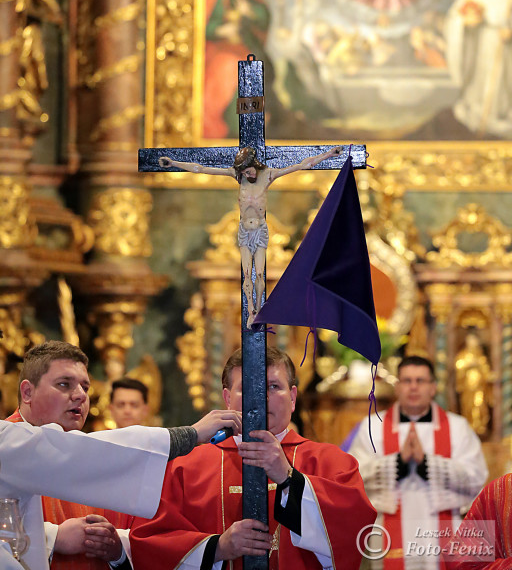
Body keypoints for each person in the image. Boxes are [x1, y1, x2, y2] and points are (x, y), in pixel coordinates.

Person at [129, 346, 376, 570]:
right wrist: (218, 547)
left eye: (273, 386)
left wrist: (288, 478)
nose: (261, 397)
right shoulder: (184, 467)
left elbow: (355, 532)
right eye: (247, 387)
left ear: (292, 398)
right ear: (227, 399)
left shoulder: (331, 463)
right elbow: (149, 543)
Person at [3, 340, 241, 570]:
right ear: (27, 392)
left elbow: (144, 538)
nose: (80, 396)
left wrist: (116, 549)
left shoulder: (102, 456)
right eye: (64, 384)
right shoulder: (8, 444)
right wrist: (53, 537)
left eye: (85, 387)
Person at [158, 145, 341, 324]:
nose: (248, 175)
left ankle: (260, 311)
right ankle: (251, 311)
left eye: (249, 171)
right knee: (247, 275)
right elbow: (202, 169)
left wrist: (329, 154)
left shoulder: (268, 175)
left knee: (259, 274)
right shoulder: (237, 176)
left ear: (255, 164)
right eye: (244, 173)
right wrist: (173, 163)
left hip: (260, 230)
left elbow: (302, 165)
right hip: (245, 230)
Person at [349, 355, 488, 569]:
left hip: (444, 533)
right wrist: (398, 463)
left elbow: (476, 477)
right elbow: (354, 477)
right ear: (397, 386)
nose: (413, 387)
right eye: (407, 381)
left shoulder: (458, 427)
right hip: (387, 532)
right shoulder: (372, 426)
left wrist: (426, 464)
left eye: (420, 381)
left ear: (433, 387)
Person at [203, 0, 270, 138]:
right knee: (233, 65)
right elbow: (198, 26)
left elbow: (263, 15)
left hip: (241, 48)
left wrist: (248, 11)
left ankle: (248, 126)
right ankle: (225, 125)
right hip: (214, 50)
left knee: (252, 64)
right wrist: (221, 30)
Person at [445, 0, 512, 138]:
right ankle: (482, 117)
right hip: (483, 44)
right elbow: (454, 17)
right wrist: (466, 22)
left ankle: (503, 116)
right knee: (482, 82)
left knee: (505, 83)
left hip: (506, 46)